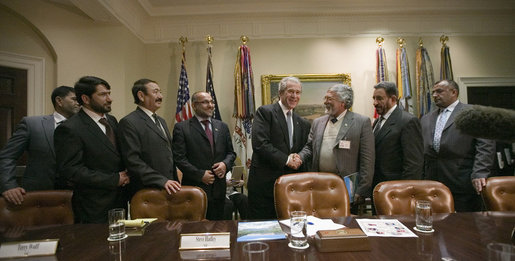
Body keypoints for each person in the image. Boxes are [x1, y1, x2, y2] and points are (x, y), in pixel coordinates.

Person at [54, 76, 129, 223]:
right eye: (103, 95)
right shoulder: (70, 128)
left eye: (109, 93)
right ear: (86, 99)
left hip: (119, 202)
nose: (109, 99)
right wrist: (114, 179)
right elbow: (71, 170)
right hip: (92, 206)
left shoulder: (112, 121)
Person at [421, 79, 495, 212]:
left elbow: (485, 146)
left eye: (439, 91)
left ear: (454, 92)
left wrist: (480, 172)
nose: (434, 95)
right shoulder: (427, 118)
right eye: (433, 92)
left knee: (465, 226)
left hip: (462, 183)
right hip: (433, 183)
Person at [298, 84, 374, 212]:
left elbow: (368, 159)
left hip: (347, 188)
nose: (325, 102)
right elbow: (310, 147)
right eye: (325, 98)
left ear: (343, 102)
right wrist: (299, 157)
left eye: (329, 99)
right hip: (319, 185)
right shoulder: (318, 122)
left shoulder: (361, 122)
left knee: (345, 227)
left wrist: (362, 190)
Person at [0, 86, 79, 205]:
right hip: (38, 195)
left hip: (78, 196)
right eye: (74, 99)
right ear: (59, 101)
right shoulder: (32, 124)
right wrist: (9, 185)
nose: (79, 103)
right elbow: (7, 156)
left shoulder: (84, 127)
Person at [247, 76, 311, 219]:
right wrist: (287, 160)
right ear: (281, 93)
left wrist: (298, 157)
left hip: (291, 187)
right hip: (265, 187)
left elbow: (304, 147)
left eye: (298, 92)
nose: (295, 96)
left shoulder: (302, 122)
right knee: (264, 230)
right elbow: (260, 144)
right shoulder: (265, 112)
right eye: (290, 91)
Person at [172, 91, 236, 220]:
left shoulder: (222, 126)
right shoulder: (182, 128)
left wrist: (225, 164)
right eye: (205, 102)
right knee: (197, 230)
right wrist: (200, 175)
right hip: (195, 189)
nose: (211, 105)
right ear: (194, 106)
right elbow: (179, 158)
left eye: (211, 102)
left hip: (219, 189)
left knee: (219, 228)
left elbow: (231, 153)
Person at [118, 79, 181, 197]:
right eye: (155, 92)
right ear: (141, 96)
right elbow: (132, 160)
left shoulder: (161, 121)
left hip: (169, 186)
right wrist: (161, 180)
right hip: (147, 190)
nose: (160, 96)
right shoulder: (129, 122)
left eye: (160, 92)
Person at [371, 81, 423, 189]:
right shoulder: (377, 122)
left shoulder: (408, 121)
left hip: (396, 189)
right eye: (374, 98)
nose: (375, 103)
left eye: (379, 98)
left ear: (393, 99)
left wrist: (405, 190)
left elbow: (413, 164)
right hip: (378, 187)